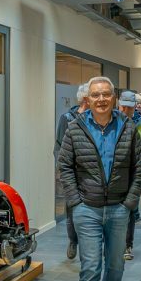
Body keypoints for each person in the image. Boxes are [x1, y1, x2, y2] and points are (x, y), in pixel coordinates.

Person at [58, 76, 141, 281]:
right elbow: (65, 166)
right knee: (91, 268)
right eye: (96, 95)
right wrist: (75, 202)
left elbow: (139, 168)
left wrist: (130, 203)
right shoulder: (75, 128)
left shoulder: (128, 127)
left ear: (114, 97)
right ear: (88, 99)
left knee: (116, 265)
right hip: (87, 209)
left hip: (119, 208)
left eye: (106, 94)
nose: (101, 99)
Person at [55, 84, 87, 260]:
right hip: (72, 173)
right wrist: (62, 169)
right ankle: (73, 241)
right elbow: (58, 146)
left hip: (90, 173)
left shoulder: (97, 120)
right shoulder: (67, 118)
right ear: (85, 99)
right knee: (71, 210)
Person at [117, 89, 141, 260]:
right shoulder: (112, 120)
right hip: (114, 173)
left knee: (129, 210)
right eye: (123, 107)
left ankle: (127, 245)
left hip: (131, 173)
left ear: (134, 107)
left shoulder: (140, 123)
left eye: (129, 107)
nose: (125, 110)